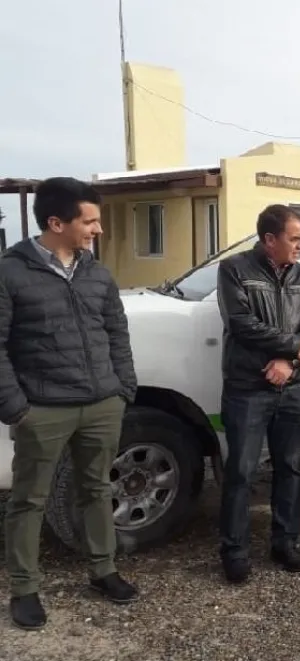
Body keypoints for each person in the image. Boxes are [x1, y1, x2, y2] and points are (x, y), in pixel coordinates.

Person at [0, 177, 139, 630]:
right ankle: (24, 589)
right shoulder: (10, 272)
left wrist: (123, 388)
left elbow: (116, 332)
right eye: (90, 220)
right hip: (42, 409)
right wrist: (17, 407)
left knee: (98, 490)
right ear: (56, 222)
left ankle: (103, 570)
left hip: (102, 404)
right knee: (29, 501)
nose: (98, 229)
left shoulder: (97, 272)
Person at [215, 204, 300, 584]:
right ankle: (235, 551)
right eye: (295, 239)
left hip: (292, 388)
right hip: (248, 389)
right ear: (269, 239)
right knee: (241, 473)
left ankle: (286, 542)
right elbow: (241, 324)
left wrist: (290, 361)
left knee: (290, 468)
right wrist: (294, 347)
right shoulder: (234, 270)